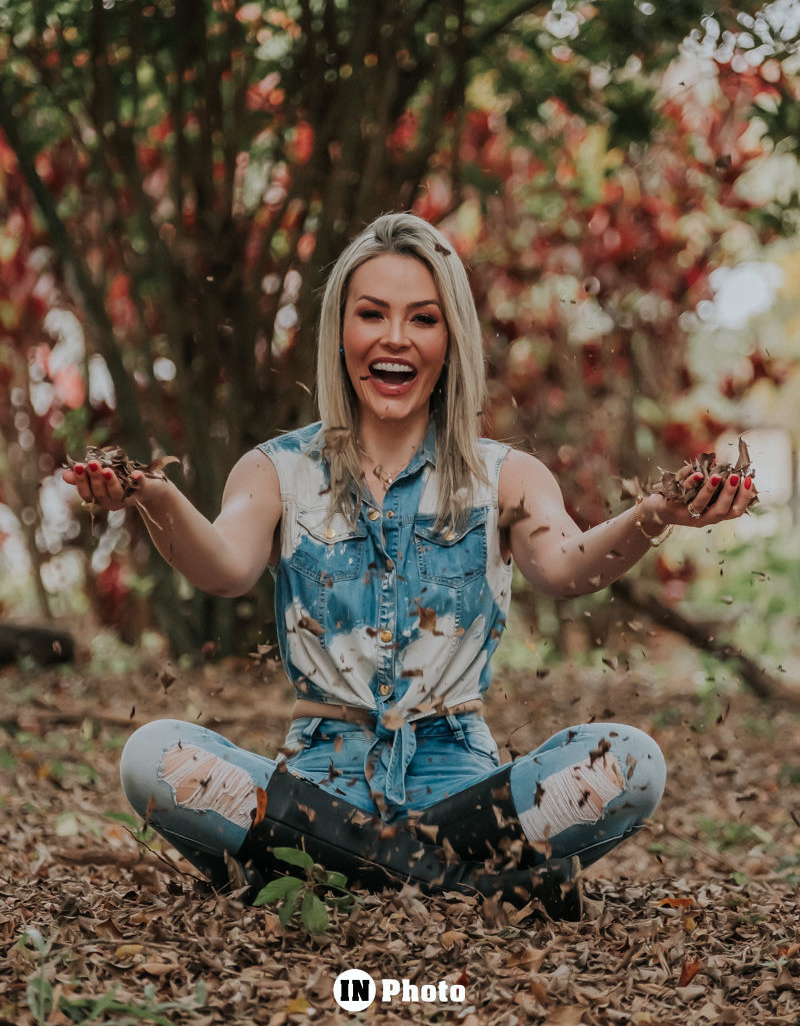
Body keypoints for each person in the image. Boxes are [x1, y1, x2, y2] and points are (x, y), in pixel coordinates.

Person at [64, 213, 753, 919]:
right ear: (341, 332)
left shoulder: (505, 477)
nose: (395, 337)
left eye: (422, 318)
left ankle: (340, 874)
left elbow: (565, 568)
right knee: (152, 756)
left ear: (449, 341)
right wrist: (155, 497)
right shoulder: (278, 470)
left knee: (631, 762)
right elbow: (224, 569)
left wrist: (654, 515)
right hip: (317, 786)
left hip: (462, 791)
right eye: (372, 314)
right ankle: (460, 884)